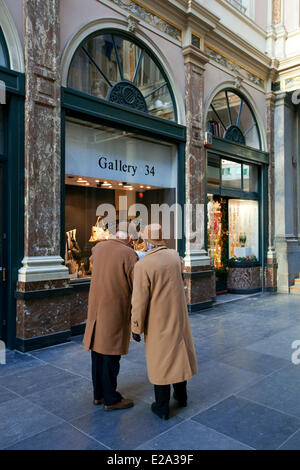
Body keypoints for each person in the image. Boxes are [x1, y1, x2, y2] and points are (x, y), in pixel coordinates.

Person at [131, 224, 198, 420]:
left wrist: (136, 327)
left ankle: (161, 407)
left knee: (160, 362)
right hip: (178, 317)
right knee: (178, 355)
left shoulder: (143, 265)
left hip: (157, 320)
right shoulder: (175, 257)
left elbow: (139, 300)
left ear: (147, 240)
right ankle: (182, 396)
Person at [83, 231, 138, 410]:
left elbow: (93, 261)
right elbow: (136, 285)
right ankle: (111, 399)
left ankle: (98, 395)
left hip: (96, 310)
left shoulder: (98, 248)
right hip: (114, 310)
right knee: (110, 355)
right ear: (128, 239)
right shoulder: (129, 254)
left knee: (97, 353)